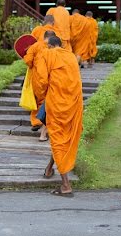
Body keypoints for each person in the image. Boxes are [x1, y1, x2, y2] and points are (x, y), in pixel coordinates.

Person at [32, 35, 83, 197]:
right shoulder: (71, 56)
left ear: (50, 46)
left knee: (57, 140)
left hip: (56, 104)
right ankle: (48, 169)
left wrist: (40, 97)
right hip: (74, 104)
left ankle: (66, 185)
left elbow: (41, 82)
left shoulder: (47, 55)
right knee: (61, 139)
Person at [24, 29, 56, 140]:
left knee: (37, 100)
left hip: (37, 78)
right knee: (46, 102)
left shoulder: (35, 46)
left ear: (44, 36)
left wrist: (33, 64)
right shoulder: (54, 47)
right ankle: (41, 125)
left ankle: (36, 121)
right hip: (51, 77)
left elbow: (28, 60)